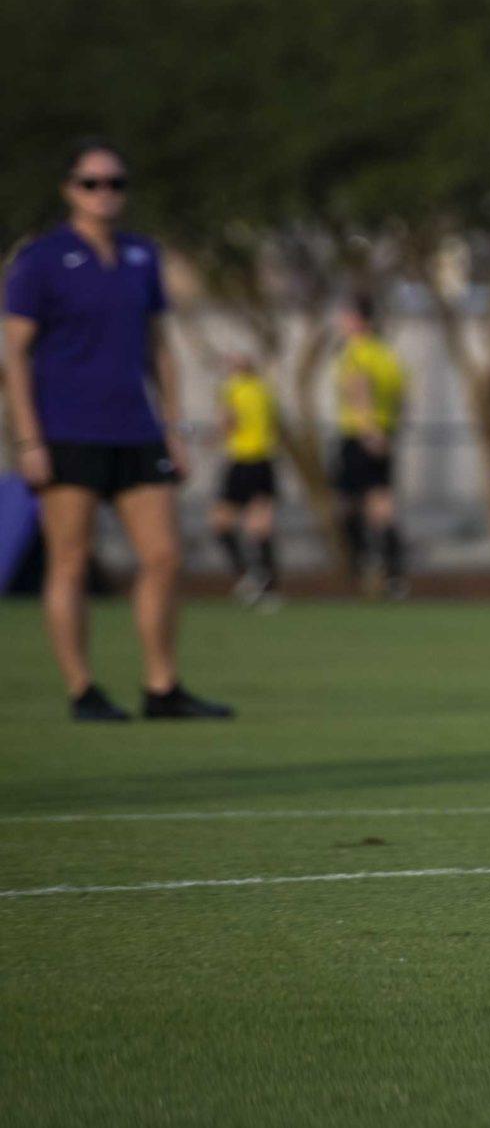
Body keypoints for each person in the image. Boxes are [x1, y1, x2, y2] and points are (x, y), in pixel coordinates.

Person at [2, 139, 232, 721]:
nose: (104, 194)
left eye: (115, 184)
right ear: (69, 191)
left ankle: (162, 687)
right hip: (66, 431)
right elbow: (16, 356)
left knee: (164, 556)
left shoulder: (140, 256)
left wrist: (174, 427)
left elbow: (160, 349)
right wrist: (28, 439)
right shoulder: (42, 260)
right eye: (91, 183)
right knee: (71, 562)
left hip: (136, 429)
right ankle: (83, 689)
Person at [331, 295, 408, 598]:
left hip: (360, 435)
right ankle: (393, 574)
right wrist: (386, 430)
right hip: (385, 433)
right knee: (382, 502)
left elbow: (357, 386)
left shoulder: (356, 351)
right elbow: (401, 396)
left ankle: (366, 564)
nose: (341, 323)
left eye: (346, 317)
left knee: (349, 505)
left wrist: (368, 429)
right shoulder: (388, 354)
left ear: (359, 321)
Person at [211, 352, 282, 606]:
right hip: (265, 460)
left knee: (221, 522)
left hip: (242, 460)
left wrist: (215, 438)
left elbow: (228, 422)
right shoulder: (264, 390)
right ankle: (268, 584)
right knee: (261, 525)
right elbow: (274, 424)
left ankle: (246, 575)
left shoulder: (232, 389)